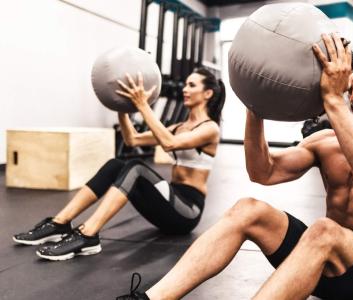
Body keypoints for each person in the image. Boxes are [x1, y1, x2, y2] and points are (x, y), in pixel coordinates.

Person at [116, 33, 353, 300]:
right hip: (326, 268)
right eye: (349, 90)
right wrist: (256, 107)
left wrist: (332, 101)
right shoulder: (326, 141)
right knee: (248, 209)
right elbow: (263, 172)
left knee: (325, 230)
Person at [13, 67, 226, 261]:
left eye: (192, 85)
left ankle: (88, 234)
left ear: (208, 94)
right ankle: (59, 223)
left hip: (187, 211)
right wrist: (121, 107)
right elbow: (132, 139)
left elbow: (169, 144)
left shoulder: (210, 129)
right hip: (168, 200)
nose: (185, 89)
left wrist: (143, 104)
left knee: (136, 167)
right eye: (186, 84)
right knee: (116, 164)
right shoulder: (178, 126)